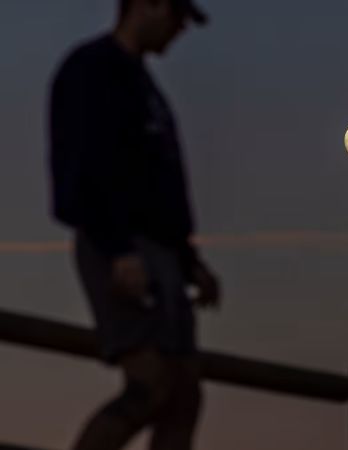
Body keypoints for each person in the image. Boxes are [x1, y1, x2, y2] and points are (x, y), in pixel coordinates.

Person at [47, 1, 218, 449]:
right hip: (121, 248)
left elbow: (157, 182)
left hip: (159, 254)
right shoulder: (92, 70)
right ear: (148, 4)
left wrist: (188, 259)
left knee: (183, 395)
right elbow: (81, 169)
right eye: (177, 18)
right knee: (151, 383)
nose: (178, 31)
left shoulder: (141, 84)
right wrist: (117, 248)